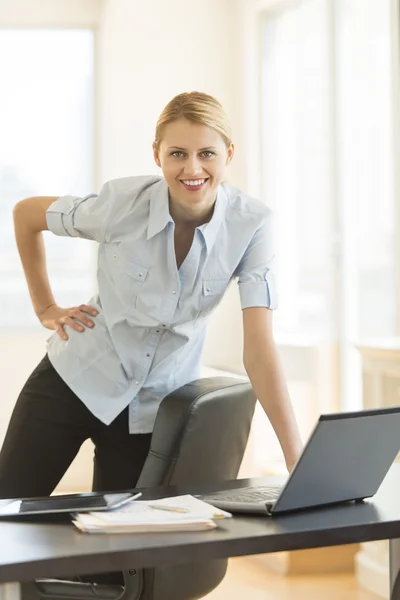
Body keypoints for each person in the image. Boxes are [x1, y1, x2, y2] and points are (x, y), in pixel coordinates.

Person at [0, 91, 303, 502]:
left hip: (151, 409)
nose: (192, 168)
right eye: (177, 153)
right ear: (157, 155)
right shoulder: (121, 205)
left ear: (228, 153)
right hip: (74, 378)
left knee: (118, 554)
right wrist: (44, 307)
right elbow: (26, 215)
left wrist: (293, 456)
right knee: (6, 511)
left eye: (206, 153)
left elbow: (259, 348)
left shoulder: (252, 225)